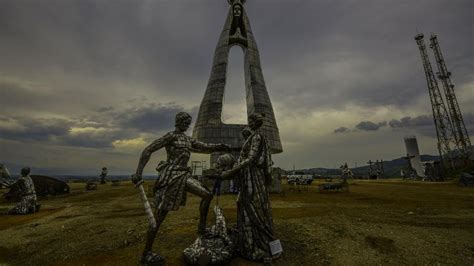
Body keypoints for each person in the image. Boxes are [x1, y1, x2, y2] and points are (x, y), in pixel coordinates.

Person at [131, 112, 231, 264]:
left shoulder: (188, 139)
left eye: (188, 122)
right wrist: (139, 172)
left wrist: (221, 146)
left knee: (207, 194)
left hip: (183, 176)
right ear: (178, 122)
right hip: (171, 177)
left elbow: (205, 147)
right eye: (184, 121)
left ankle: (201, 229)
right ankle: (146, 253)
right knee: (159, 217)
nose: (187, 124)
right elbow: (148, 150)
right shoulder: (171, 136)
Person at [222, 113, 276, 261]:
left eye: (252, 120)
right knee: (243, 202)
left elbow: (251, 159)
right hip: (248, 174)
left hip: (253, 175)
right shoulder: (254, 137)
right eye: (249, 120)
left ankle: (257, 243)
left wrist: (233, 170)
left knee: (252, 203)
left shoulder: (257, 137)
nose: (249, 122)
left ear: (256, 123)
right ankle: (246, 238)